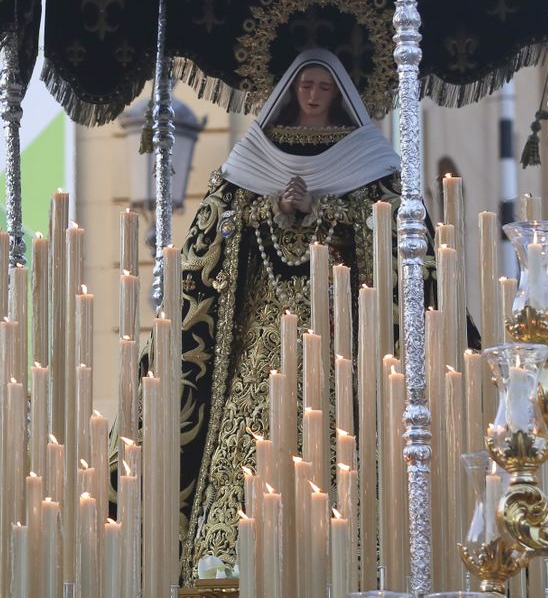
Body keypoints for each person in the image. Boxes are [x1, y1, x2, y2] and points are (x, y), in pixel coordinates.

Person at [143, 49, 402, 578]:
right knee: (251, 426)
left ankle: (345, 551)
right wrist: (271, 209)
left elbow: (391, 231)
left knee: (337, 426)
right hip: (261, 323)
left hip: (336, 329)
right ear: (289, 91)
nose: (311, 95)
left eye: (323, 88)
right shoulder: (253, 155)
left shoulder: (366, 157)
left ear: (338, 95)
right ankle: (228, 554)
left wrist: (324, 212)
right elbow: (214, 235)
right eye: (304, 85)